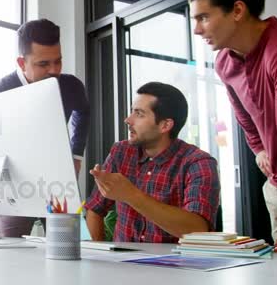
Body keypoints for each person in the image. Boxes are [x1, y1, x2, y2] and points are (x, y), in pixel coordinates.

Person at [0, 19, 91, 238]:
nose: (54, 70)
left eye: (58, 61)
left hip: (60, 185)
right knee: (6, 259)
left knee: (74, 251)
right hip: (19, 190)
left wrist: (76, 153)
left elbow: (83, 111)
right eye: (43, 64)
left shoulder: (71, 86)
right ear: (22, 63)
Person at [189, 0, 277, 252]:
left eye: (204, 17)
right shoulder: (225, 63)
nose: (196, 29)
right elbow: (244, 116)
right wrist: (260, 151)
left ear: (237, 11)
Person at [85, 82, 220, 243]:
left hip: (175, 266)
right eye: (131, 111)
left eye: (139, 114)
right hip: (122, 265)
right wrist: (102, 255)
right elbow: (94, 209)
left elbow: (197, 229)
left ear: (165, 125)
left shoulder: (198, 163)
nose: (128, 120)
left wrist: (131, 195)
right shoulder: (121, 152)